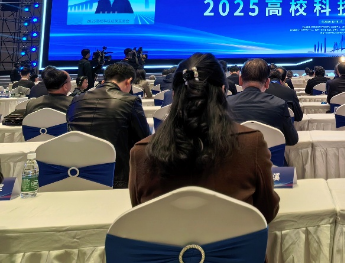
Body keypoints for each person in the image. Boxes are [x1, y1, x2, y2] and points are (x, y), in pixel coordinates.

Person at [128, 53, 280, 220]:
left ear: (174, 94)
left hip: (166, 236)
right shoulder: (251, 144)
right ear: (223, 91)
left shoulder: (141, 153)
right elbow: (266, 212)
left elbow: (140, 216)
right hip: (232, 236)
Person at [67, 62, 150, 188]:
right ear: (128, 81)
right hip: (119, 178)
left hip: (76, 174)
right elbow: (144, 139)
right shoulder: (130, 101)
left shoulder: (76, 100)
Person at [227, 58, 298, 146]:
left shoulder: (225, 103)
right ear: (267, 82)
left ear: (240, 80)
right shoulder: (279, 104)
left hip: (234, 154)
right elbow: (292, 140)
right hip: (271, 155)